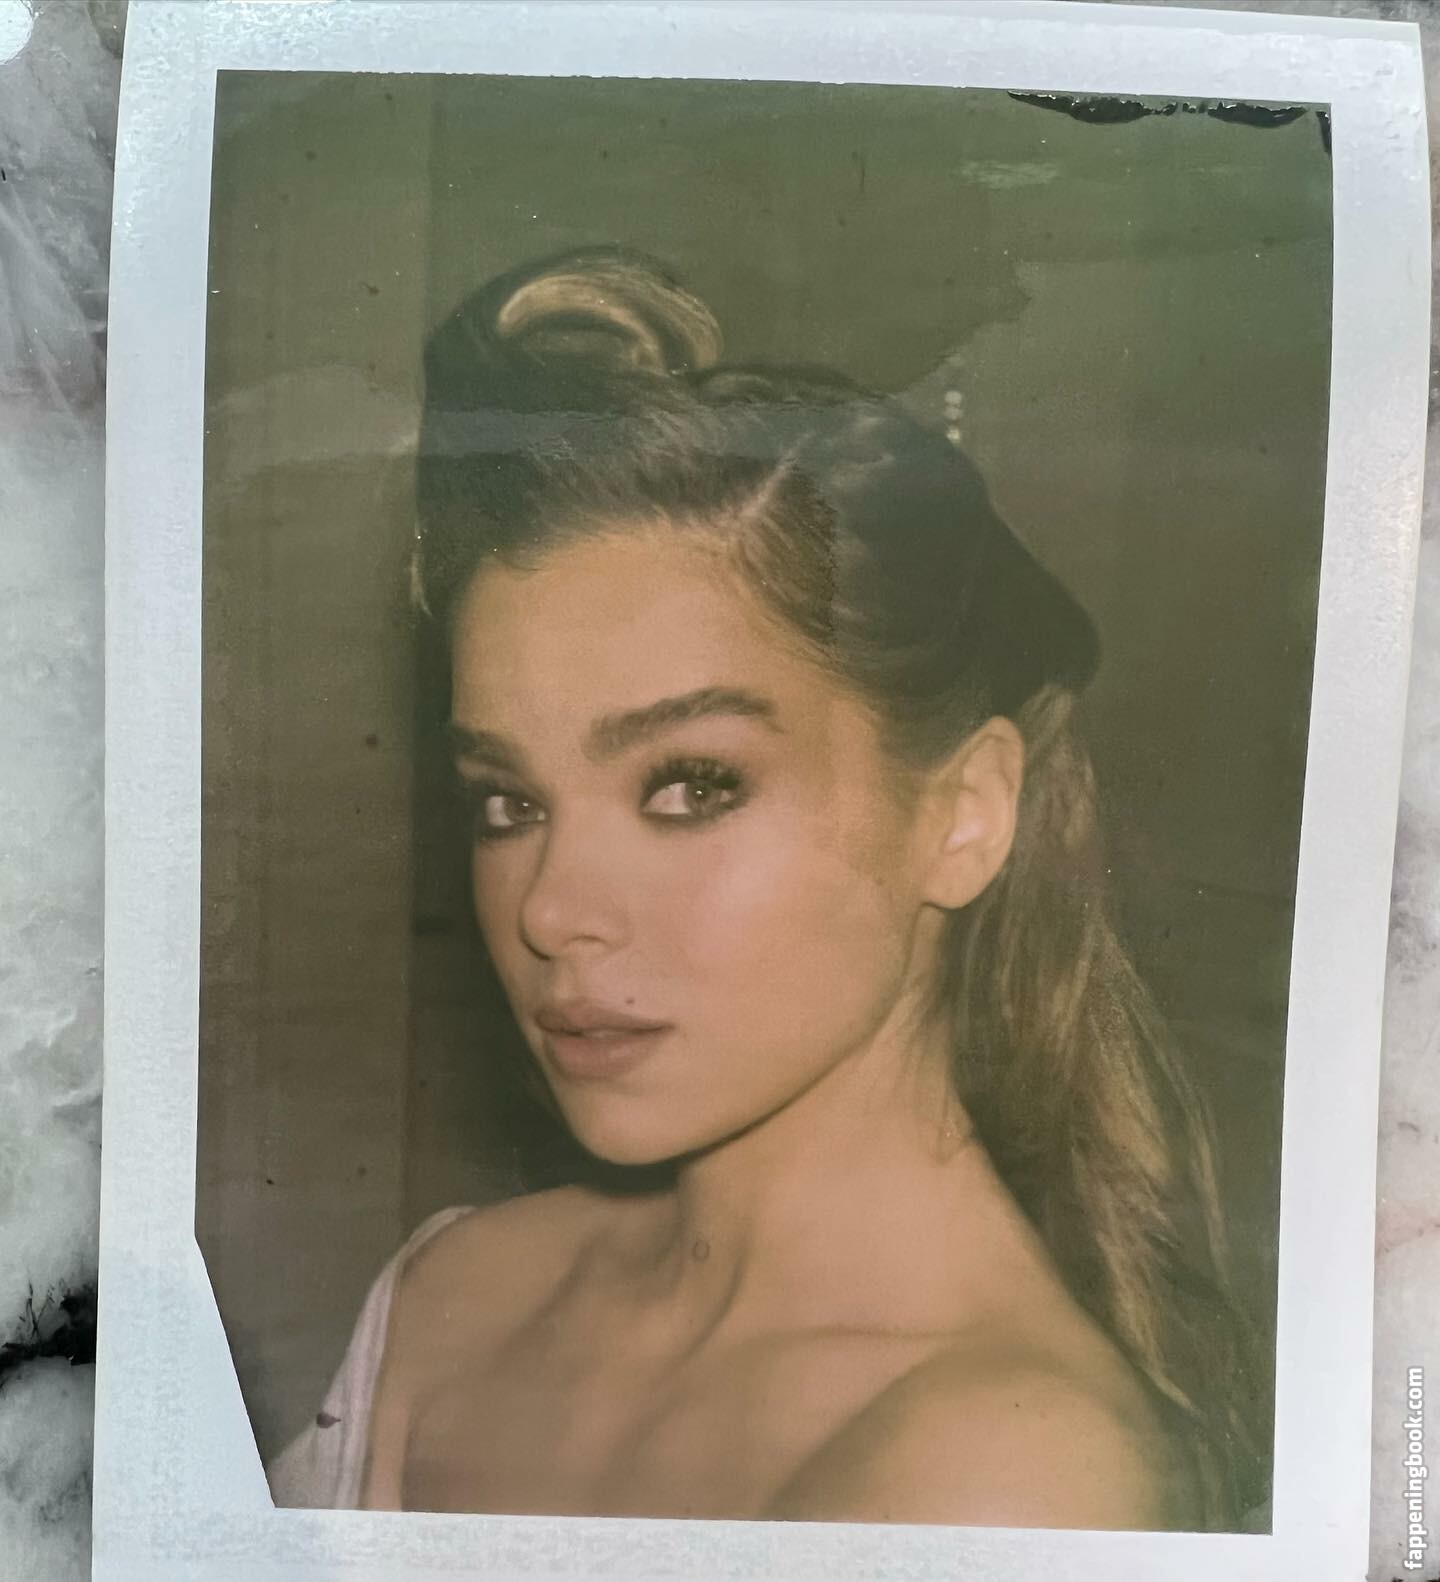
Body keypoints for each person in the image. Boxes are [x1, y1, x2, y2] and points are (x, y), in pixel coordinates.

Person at [266, 246, 1267, 1530]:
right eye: (507, 802)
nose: (549, 911)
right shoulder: (448, 1293)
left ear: (964, 813)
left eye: (691, 784)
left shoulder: (1008, 1478)